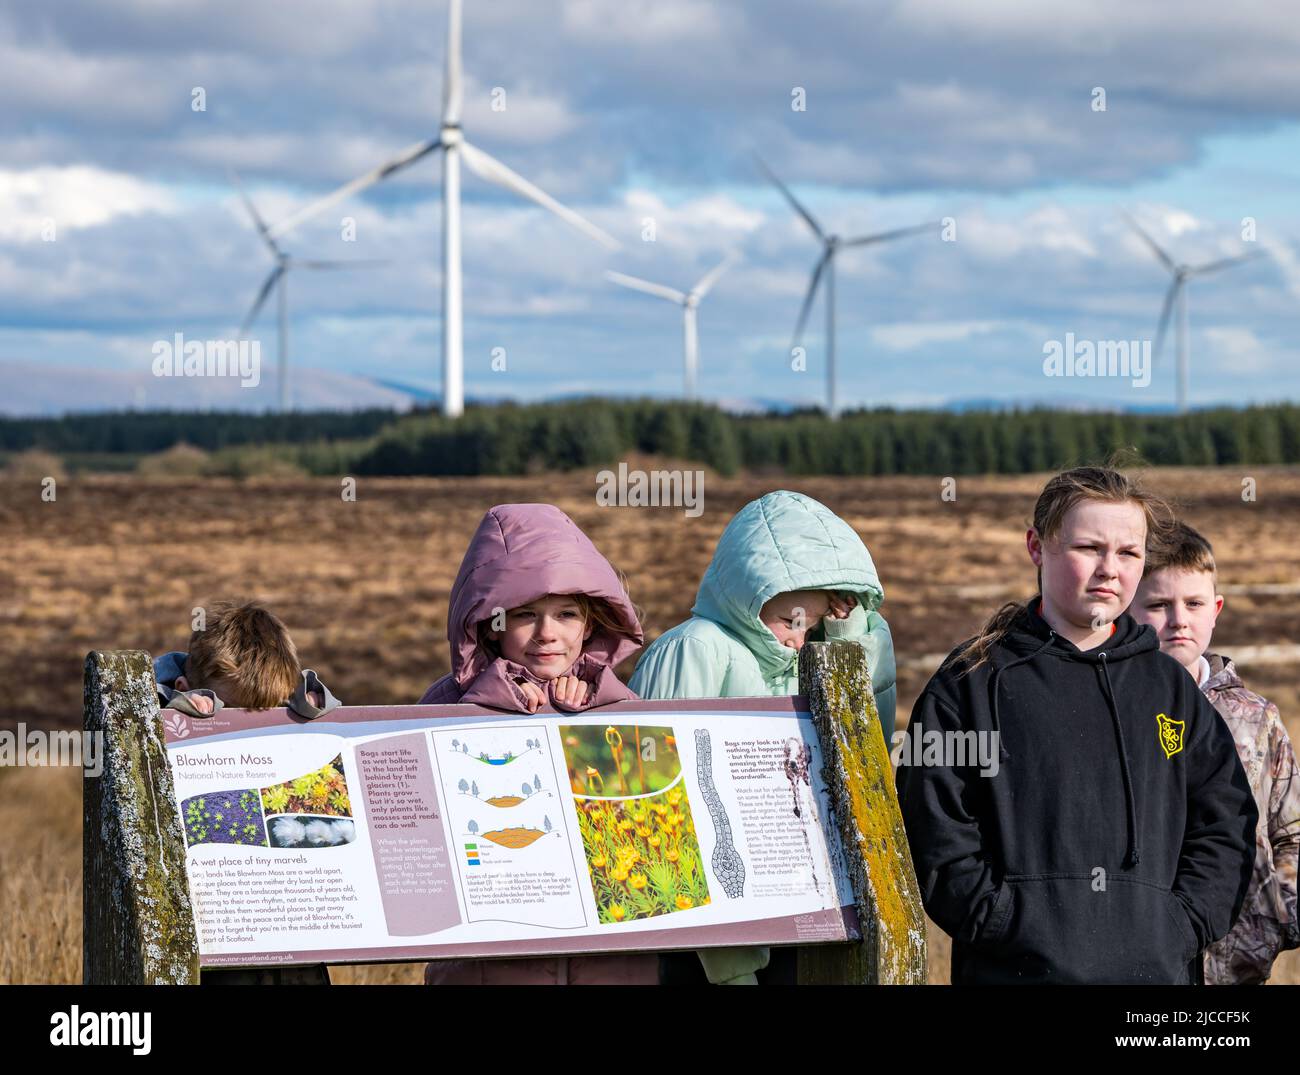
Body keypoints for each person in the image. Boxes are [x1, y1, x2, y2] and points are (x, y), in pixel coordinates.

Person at [895, 465, 1257, 984]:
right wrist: (1002, 920)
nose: (1110, 569)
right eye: (1090, 548)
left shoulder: (1172, 690)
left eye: (1129, 553)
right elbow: (933, 832)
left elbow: (1226, 825)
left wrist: (1178, 926)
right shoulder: (970, 684)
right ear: (1037, 547)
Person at [628, 489, 897, 985]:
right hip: (706, 949)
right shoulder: (693, 651)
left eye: (811, 622)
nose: (799, 637)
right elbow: (660, 812)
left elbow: (867, 763)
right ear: (749, 596)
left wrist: (847, 644)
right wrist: (730, 968)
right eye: (790, 620)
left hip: (802, 915)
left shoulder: (813, 657)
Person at [419, 503, 655, 984]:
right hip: (491, 963)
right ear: (489, 624)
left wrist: (592, 718)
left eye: (566, 614)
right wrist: (496, 704)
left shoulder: (622, 706)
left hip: (610, 963)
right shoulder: (446, 705)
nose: (548, 634)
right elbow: (415, 828)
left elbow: (646, 824)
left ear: (590, 624)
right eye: (524, 615)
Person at [1131, 520, 1300, 984]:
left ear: (1216, 610)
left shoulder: (1256, 717)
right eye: (1159, 605)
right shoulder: (1115, 710)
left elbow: (1293, 831)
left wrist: (1276, 918)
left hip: (1239, 963)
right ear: (1127, 608)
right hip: (1140, 960)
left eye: (1194, 603)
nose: (1178, 619)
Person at [154, 599, 340, 985]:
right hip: (215, 934)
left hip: (295, 936)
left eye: (271, 711)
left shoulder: (292, 697)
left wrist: (305, 705)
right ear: (188, 688)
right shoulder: (159, 711)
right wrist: (178, 713)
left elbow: (331, 711)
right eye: (235, 714)